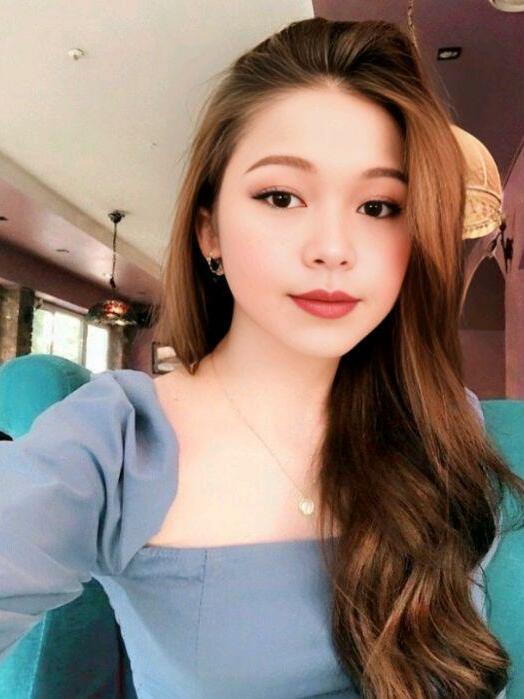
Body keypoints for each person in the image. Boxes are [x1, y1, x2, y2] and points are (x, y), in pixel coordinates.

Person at [0, 16, 522, 699]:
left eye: (378, 206)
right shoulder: (116, 444)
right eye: (281, 196)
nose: (332, 248)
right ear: (209, 231)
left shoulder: (444, 420)